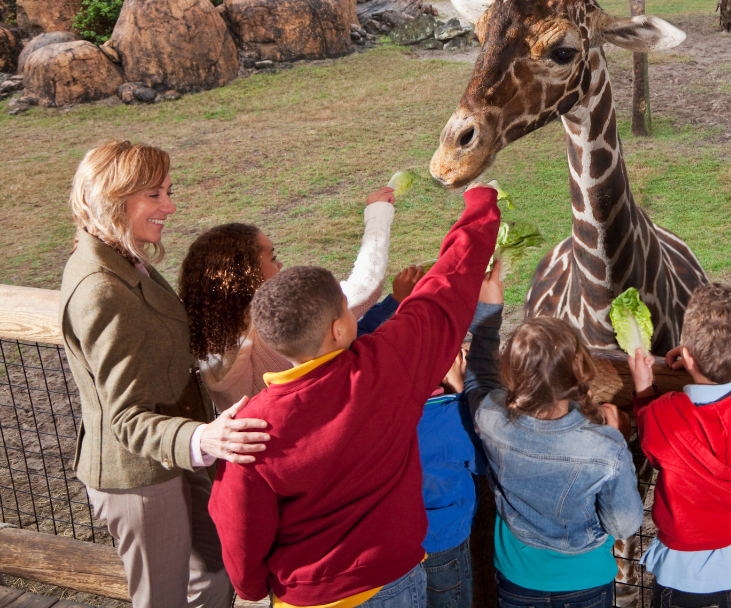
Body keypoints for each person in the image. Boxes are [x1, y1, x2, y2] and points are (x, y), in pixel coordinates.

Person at [208, 182, 500, 608]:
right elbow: (447, 287)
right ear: (339, 329)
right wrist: (481, 204)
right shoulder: (385, 368)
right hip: (394, 581)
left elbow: (237, 524)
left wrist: (252, 588)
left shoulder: (250, 428)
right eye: (346, 309)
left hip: (306, 596)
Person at [59, 139, 270, 608]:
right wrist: (205, 441)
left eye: (168, 192)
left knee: (216, 574)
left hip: (177, 456)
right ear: (113, 197)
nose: (169, 207)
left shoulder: (122, 256)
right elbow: (126, 419)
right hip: (140, 476)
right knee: (163, 599)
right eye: (154, 195)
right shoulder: (102, 290)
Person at [626, 283, 731, 608]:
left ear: (687, 356)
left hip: (682, 576)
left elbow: (647, 427)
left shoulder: (664, 413)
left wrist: (644, 389)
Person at [357, 262, 505, 608]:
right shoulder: (450, 415)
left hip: (387, 549)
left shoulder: (369, 409)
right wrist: (460, 390)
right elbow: (486, 459)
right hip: (444, 543)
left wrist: (396, 303)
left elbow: (360, 346)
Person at [470, 316, 643, 608]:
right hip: (585, 580)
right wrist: (620, 443)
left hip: (517, 577)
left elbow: (478, 383)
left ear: (511, 375)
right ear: (578, 372)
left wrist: (486, 319)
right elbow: (623, 524)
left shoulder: (489, 420)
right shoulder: (605, 448)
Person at [178, 184, 395, 413]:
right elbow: (366, 285)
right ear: (246, 275)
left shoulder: (212, 331)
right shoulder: (274, 323)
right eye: (273, 258)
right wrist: (378, 213)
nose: (280, 264)